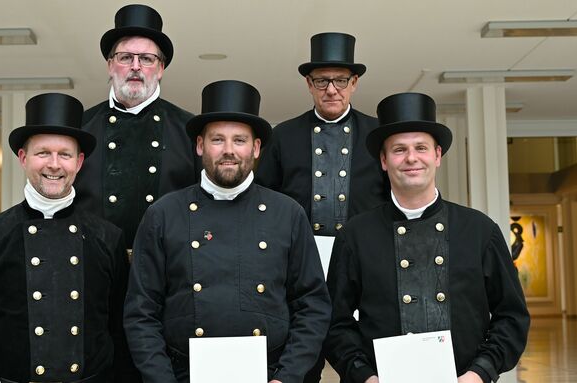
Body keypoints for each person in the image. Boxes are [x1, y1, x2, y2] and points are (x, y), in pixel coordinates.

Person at [123, 80, 332, 383]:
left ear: (256, 148)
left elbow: (312, 305)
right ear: (199, 146)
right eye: (217, 140)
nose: (229, 151)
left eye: (240, 140)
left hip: (269, 375)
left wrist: (287, 376)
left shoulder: (287, 213)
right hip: (185, 375)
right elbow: (141, 311)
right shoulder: (163, 214)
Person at [324, 92, 530, 383]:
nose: (411, 158)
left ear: (437, 156)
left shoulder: (480, 230)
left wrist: (479, 372)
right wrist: (364, 376)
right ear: (384, 160)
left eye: (421, 147)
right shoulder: (355, 235)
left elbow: (512, 316)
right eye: (399, 149)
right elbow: (335, 322)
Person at [0, 93, 134, 383]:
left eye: (65, 154)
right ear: (23, 158)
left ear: (79, 162)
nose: (54, 164)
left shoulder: (108, 238)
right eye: (43, 152)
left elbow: (121, 333)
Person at [74, 4, 199, 252]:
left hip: (168, 272)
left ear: (161, 68)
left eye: (146, 59)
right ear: (110, 65)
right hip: (94, 270)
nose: (135, 66)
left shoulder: (190, 130)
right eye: (125, 57)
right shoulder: (79, 128)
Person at [256, 32, 388, 237]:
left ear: (354, 83)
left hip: (364, 250)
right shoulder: (283, 135)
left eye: (341, 81)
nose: (331, 90)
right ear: (309, 84)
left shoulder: (377, 134)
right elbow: (263, 199)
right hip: (299, 252)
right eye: (322, 81)